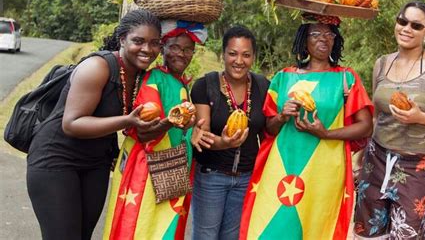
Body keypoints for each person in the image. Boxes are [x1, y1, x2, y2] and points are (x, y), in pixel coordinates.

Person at [26, 9, 163, 240]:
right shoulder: (98, 67)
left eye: (154, 43)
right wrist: (127, 120)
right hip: (55, 161)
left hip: (95, 164)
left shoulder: (140, 75)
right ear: (122, 40)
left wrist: (172, 123)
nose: (147, 49)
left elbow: (133, 124)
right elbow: (72, 123)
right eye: (138, 41)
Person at [239, 17, 373, 240]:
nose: (323, 39)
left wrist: (326, 133)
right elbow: (269, 129)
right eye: (316, 34)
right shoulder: (283, 77)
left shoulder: (346, 78)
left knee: (315, 227)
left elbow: (366, 126)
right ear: (304, 42)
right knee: (275, 227)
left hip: (326, 169)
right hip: (283, 165)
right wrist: (282, 116)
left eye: (329, 34)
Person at [353, 1, 425, 239]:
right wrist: (359, 159)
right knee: (368, 232)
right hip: (376, 160)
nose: (407, 28)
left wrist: (420, 117)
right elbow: (377, 116)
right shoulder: (382, 64)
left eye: (416, 25)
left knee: (408, 234)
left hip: (418, 165)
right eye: (402, 21)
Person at [103, 20, 207, 240]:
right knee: (140, 226)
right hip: (147, 169)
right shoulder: (155, 78)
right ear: (164, 48)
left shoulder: (179, 82)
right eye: (176, 47)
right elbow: (144, 131)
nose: (182, 54)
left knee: (158, 228)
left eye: (188, 49)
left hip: (168, 168)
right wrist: (173, 120)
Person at [190, 26, 270, 240]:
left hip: (246, 177)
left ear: (253, 57)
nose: (239, 61)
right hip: (211, 176)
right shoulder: (204, 86)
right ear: (223, 54)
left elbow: (269, 132)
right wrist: (224, 143)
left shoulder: (263, 86)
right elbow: (202, 135)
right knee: (206, 236)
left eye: (246, 55)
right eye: (232, 53)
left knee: (233, 237)